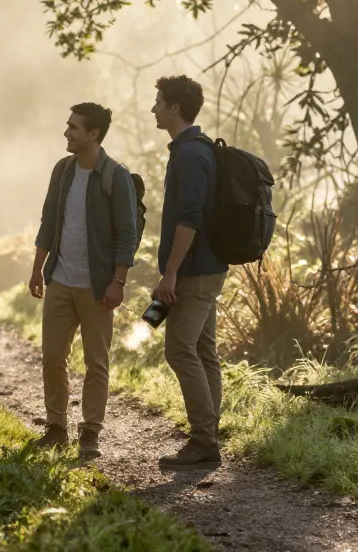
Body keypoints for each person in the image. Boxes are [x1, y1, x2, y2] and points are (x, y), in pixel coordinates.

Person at [29, 103, 138, 461]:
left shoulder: (115, 176)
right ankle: (56, 427)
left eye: (73, 127)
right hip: (59, 279)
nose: (66, 132)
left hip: (97, 286)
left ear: (93, 134)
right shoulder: (62, 171)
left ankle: (90, 431)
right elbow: (48, 221)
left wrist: (118, 281)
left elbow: (126, 233)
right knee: (51, 357)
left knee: (96, 361)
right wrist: (37, 268)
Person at [151, 75, 229, 469]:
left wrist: (171, 272)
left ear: (175, 107)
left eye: (159, 102)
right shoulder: (198, 150)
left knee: (179, 349)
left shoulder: (190, 155)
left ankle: (203, 440)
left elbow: (190, 219)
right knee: (203, 350)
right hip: (207, 267)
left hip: (196, 270)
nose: (154, 108)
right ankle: (209, 432)